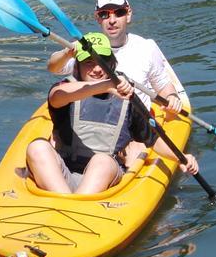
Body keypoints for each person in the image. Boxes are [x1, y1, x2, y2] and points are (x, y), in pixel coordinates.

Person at [26, 32, 199, 195]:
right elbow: (56, 97)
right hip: (62, 179)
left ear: (111, 64)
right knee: (37, 147)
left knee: (102, 161)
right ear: (77, 67)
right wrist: (106, 85)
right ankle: (65, 204)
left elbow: (153, 139)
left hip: (102, 181)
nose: (96, 69)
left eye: (101, 62)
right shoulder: (66, 90)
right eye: (88, 62)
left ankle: (79, 206)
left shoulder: (128, 99)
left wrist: (181, 158)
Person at [47, 0, 184, 115]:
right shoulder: (85, 46)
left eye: (119, 13)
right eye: (104, 14)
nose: (112, 20)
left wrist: (172, 97)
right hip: (94, 121)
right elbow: (53, 67)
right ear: (98, 18)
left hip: (135, 124)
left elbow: (164, 87)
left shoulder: (146, 48)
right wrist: (66, 53)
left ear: (128, 14)